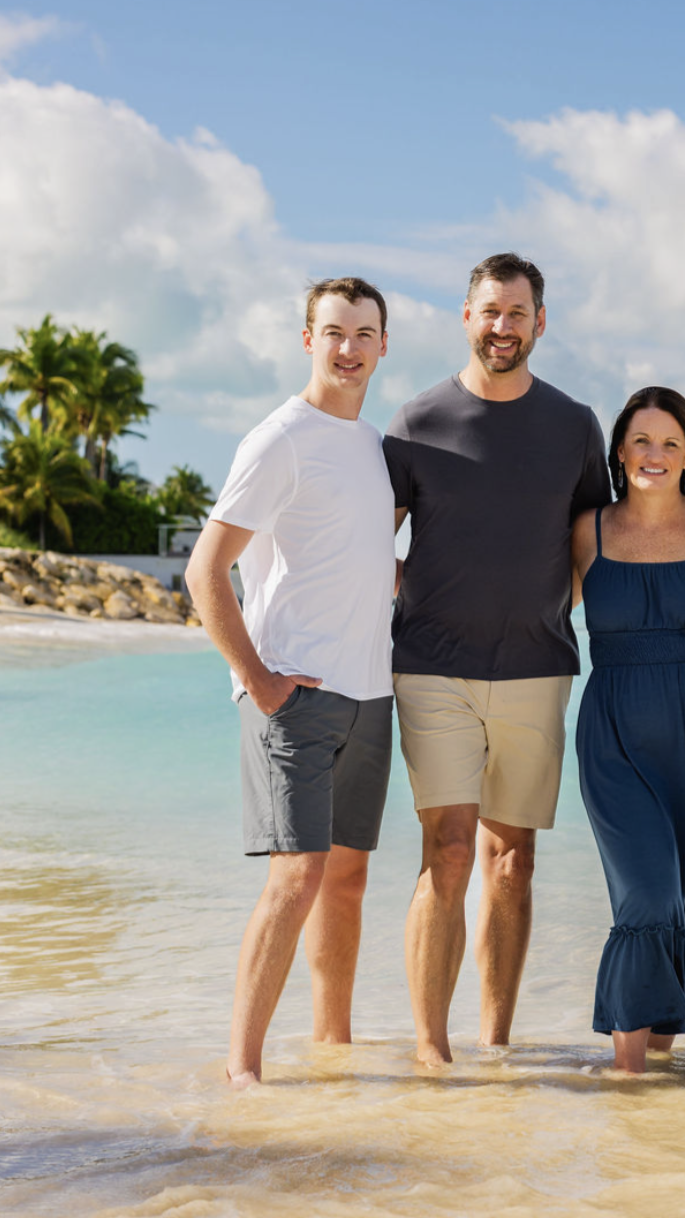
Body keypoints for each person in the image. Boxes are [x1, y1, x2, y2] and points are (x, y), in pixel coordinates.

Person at [384, 253, 612, 1066]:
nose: (502, 327)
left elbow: (591, 543)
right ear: (466, 316)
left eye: (518, 313)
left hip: (537, 669)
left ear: (540, 322)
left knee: (511, 861)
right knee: (446, 848)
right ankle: (429, 1047)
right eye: (489, 312)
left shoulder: (576, 425)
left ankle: (496, 1043)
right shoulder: (416, 421)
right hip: (431, 666)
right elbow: (371, 531)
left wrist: (552, 609)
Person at [185, 278, 396, 1088]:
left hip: (370, 694)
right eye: (334, 332)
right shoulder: (280, 437)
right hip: (296, 698)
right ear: (307, 338)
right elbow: (207, 570)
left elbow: (366, 563)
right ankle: (242, 1067)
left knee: (346, 878)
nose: (348, 348)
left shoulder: (372, 447)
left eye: (363, 334)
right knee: (296, 877)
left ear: (383, 346)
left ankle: (332, 1047)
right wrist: (256, 678)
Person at [569, 386, 685, 1073]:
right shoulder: (589, 531)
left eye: (670, 442)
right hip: (612, 736)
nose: (655, 454)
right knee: (647, 895)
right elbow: (525, 605)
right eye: (641, 440)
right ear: (618, 451)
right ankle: (628, 1082)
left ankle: (661, 1083)